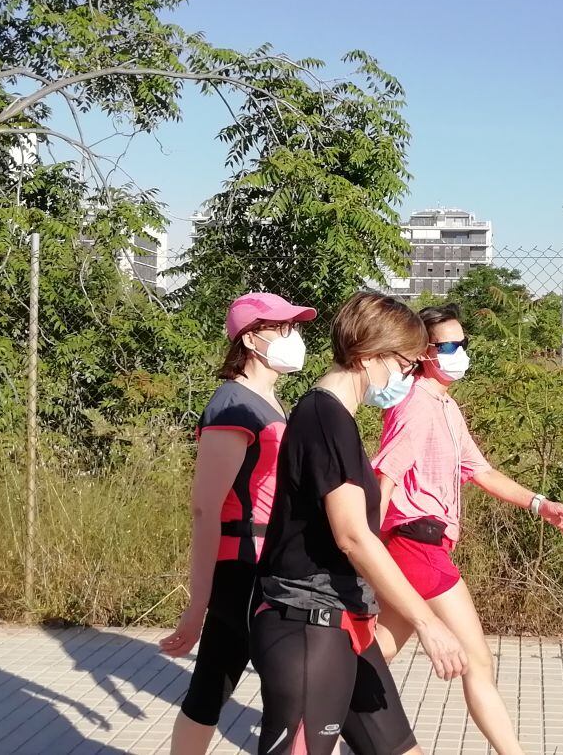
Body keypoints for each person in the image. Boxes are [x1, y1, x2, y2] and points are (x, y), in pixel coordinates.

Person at [251, 292, 468, 755]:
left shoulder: (338, 420)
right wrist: (427, 623)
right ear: (370, 355)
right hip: (309, 623)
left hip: (346, 620)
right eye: (405, 364)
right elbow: (353, 536)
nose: (406, 375)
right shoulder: (324, 419)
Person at [372, 303, 563, 755]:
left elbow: (480, 471)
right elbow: (384, 476)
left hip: (422, 545)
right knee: (478, 660)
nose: (459, 353)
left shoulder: (444, 406)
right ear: (423, 352)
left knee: (376, 651)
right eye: (448, 346)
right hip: (417, 543)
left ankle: (314, 696)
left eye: (462, 343)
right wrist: (364, 548)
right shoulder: (416, 404)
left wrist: (540, 504)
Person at [159, 292, 316, 755]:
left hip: (266, 562)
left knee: (210, 687)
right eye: (281, 327)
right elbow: (206, 508)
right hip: (246, 566)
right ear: (250, 339)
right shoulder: (232, 406)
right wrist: (197, 606)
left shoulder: (266, 401)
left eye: (294, 327)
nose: (293, 336)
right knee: (296, 690)